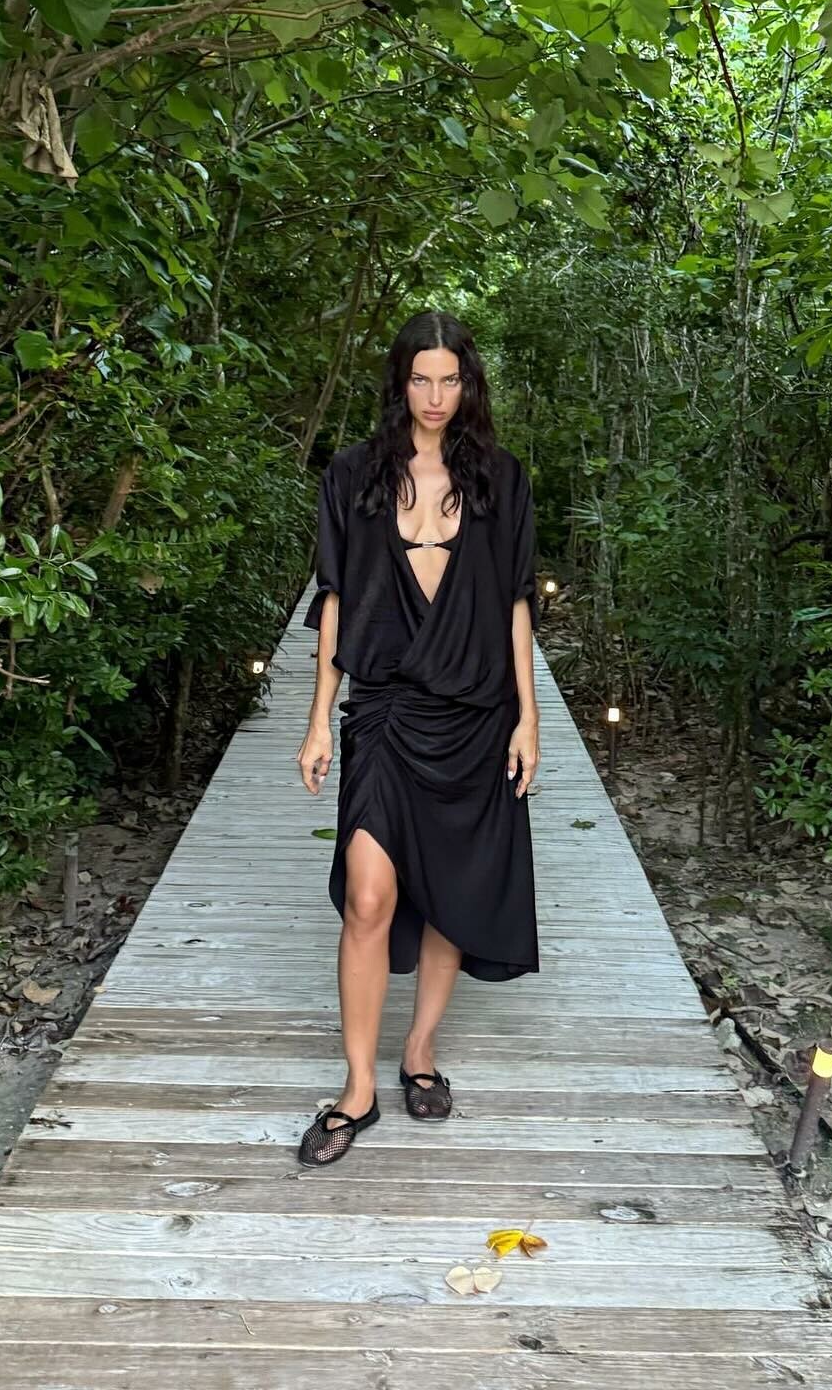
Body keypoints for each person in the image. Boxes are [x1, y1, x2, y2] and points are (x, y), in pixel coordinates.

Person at [294, 310, 541, 1165]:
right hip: (386, 710)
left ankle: (420, 1049)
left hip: (477, 713)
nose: (436, 396)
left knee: (452, 892)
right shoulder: (354, 475)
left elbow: (515, 602)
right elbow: (336, 598)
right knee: (369, 895)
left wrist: (529, 719)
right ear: (399, 384)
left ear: (468, 384)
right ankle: (357, 1087)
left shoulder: (501, 478)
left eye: (450, 380)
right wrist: (319, 718)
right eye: (420, 379)